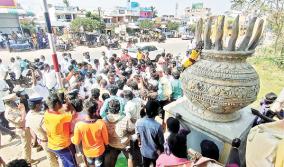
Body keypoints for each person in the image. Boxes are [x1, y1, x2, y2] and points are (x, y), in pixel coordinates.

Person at [43, 93, 77, 167]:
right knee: (72, 163)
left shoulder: (47, 113)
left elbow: (61, 110)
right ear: (57, 104)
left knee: (65, 160)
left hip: (53, 144)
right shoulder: (60, 118)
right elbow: (74, 114)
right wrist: (69, 104)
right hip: (63, 145)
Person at [3, 93, 38, 165]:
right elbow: (21, 120)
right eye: (13, 101)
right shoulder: (9, 112)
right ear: (9, 102)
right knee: (26, 146)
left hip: (24, 127)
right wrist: (23, 110)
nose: (15, 102)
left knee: (27, 144)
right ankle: (28, 160)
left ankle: (28, 158)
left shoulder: (12, 108)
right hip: (22, 129)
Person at [71, 101, 109, 167]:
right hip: (99, 150)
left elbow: (76, 142)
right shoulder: (101, 122)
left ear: (84, 110)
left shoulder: (79, 125)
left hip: (87, 152)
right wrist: (107, 145)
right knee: (99, 165)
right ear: (96, 111)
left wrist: (71, 137)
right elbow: (106, 139)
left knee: (91, 164)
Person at [25, 96, 59, 167]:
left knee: (50, 158)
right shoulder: (41, 118)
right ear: (37, 105)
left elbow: (29, 128)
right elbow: (50, 131)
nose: (42, 105)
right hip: (49, 140)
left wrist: (35, 139)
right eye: (40, 104)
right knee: (55, 158)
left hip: (41, 140)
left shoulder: (28, 115)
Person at [103, 99, 136, 167]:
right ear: (119, 108)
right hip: (124, 144)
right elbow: (132, 130)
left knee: (111, 162)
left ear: (109, 108)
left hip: (111, 144)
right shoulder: (125, 118)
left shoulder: (104, 120)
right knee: (130, 158)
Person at [135, 100, 164, 167]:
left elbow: (138, 137)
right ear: (156, 112)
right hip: (155, 154)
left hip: (144, 152)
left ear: (145, 110)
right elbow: (161, 143)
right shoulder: (158, 126)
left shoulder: (138, 122)